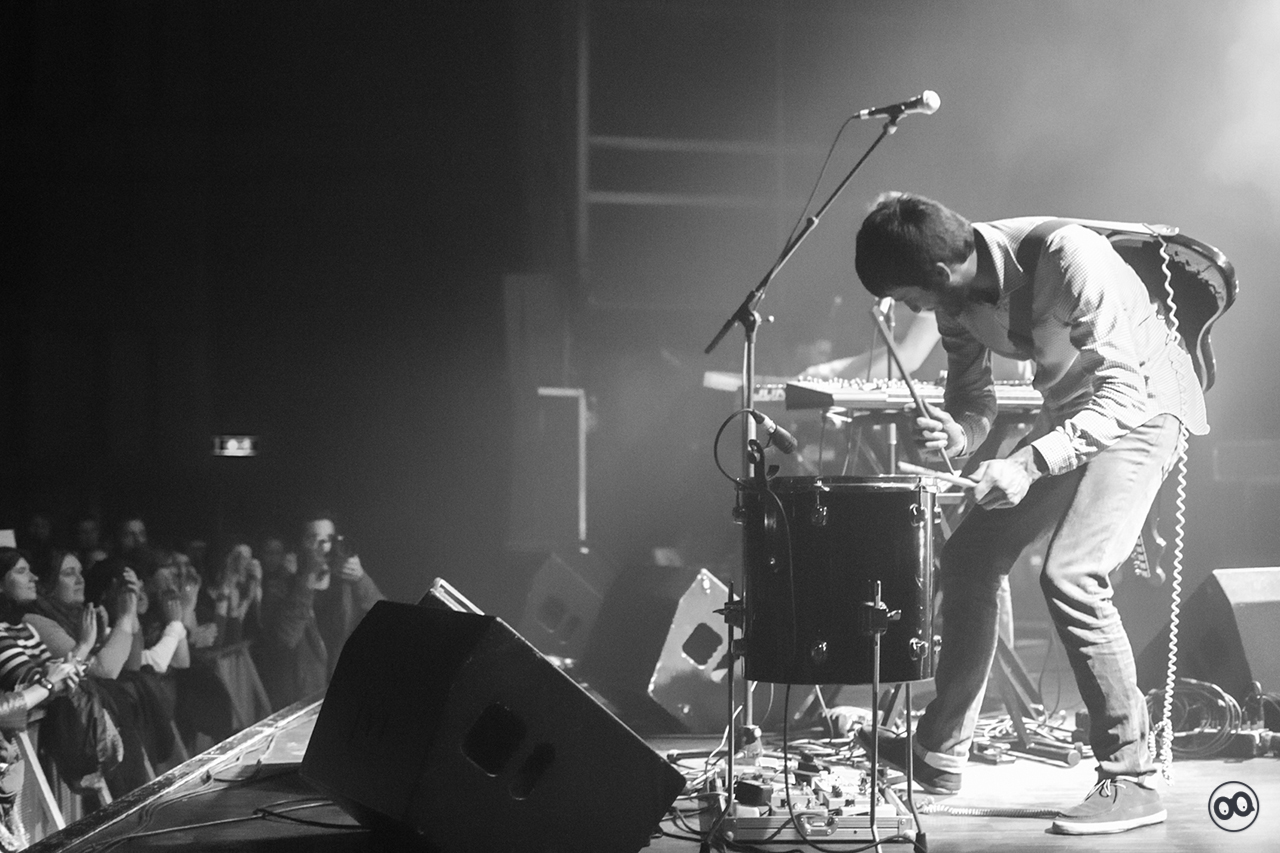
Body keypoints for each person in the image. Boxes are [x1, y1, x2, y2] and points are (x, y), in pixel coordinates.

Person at [850, 193, 1206, 835]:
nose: (912, 312)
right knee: (968, 557)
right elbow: (972, 398)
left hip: (1144, 412)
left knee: (1072, 574)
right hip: (1072, 416)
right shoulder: (955, 301)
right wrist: (957, 434)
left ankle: (1132, 777)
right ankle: (939, 753)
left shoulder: (1070, 258)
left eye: (908, 297)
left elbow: (1122, 394)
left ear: (939, 273)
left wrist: (1028, 463)